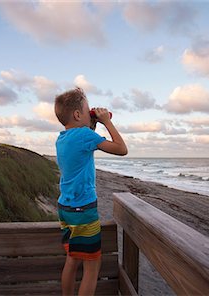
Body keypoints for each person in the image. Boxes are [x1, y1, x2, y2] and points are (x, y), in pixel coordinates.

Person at [54, 87, 127, 295]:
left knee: (72, 259)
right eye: (88, 110)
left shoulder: (62, 138)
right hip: (83, 209)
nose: (91, 112)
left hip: (65, 208)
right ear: (77, 114)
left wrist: (91, 121)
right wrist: (107, 121)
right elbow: (121, 149)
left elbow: (85, 140)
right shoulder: (85, 136)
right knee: (92, 265)